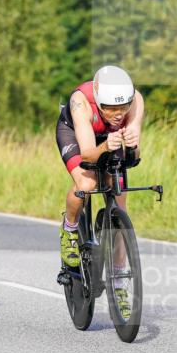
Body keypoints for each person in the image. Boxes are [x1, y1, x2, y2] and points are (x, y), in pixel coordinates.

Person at [55, 65, 144, 317]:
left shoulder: (135, 100)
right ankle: (69, 229)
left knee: (119, 196)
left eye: (122, 108)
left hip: (109, 137)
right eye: (111, 108)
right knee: (87, 184)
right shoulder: (81, 103)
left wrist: (132, 145)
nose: (118, 114)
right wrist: (105, 145)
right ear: (99, 101)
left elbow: (135, 155)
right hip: (77, 134)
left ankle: (118, 281)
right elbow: (87, 153)